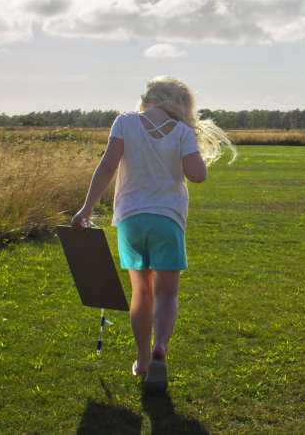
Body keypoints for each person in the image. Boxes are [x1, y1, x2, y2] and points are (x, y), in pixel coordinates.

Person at [71, 76, 236, 391]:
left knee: (141, 293)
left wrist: (87, 209)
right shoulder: (183, 132)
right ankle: (161, 346)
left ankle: (143, 360)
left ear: (149, 98)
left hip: (131, 220)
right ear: (182, 104)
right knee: (166, 294)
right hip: (168, 220)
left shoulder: (124, 123)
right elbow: (198, 175)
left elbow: (107, 167)